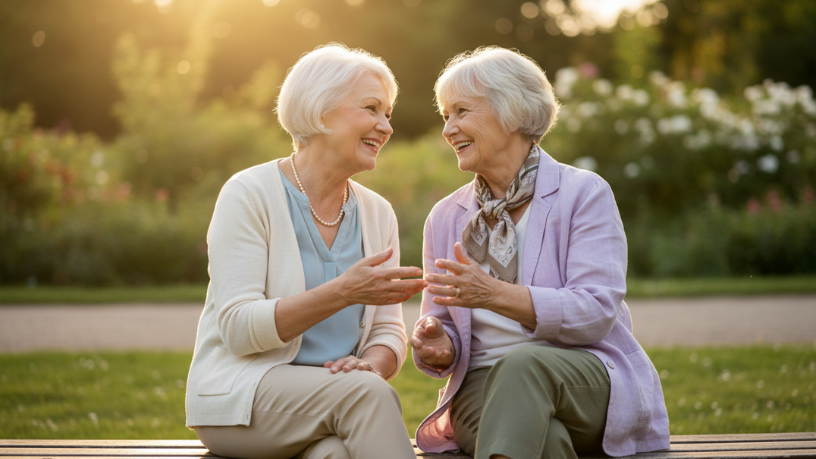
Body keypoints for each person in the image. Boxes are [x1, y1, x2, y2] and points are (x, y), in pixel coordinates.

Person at [409, 46, 670, 459]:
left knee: (523, 365)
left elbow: (595, 312)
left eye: (461, 111)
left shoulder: (583, 193)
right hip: (481, 384)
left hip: (581, 373)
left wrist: (493, 294)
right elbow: (444, 326)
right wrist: (439, 343)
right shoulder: (445, 216)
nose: (448, 129)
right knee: (545, 442)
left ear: (512, 111)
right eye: (446, 116)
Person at [186, 44, 425, 459]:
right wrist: (343, 292)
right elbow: (238, 329)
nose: (385, 127)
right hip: (243, 398)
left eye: (388, 114)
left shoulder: (377, 213)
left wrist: (371, 365)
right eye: (371, 109)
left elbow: (388, 331)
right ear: (320, 112)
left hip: (332, 401)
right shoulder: (249, 194)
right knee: (366, 395)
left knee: (335, 453)